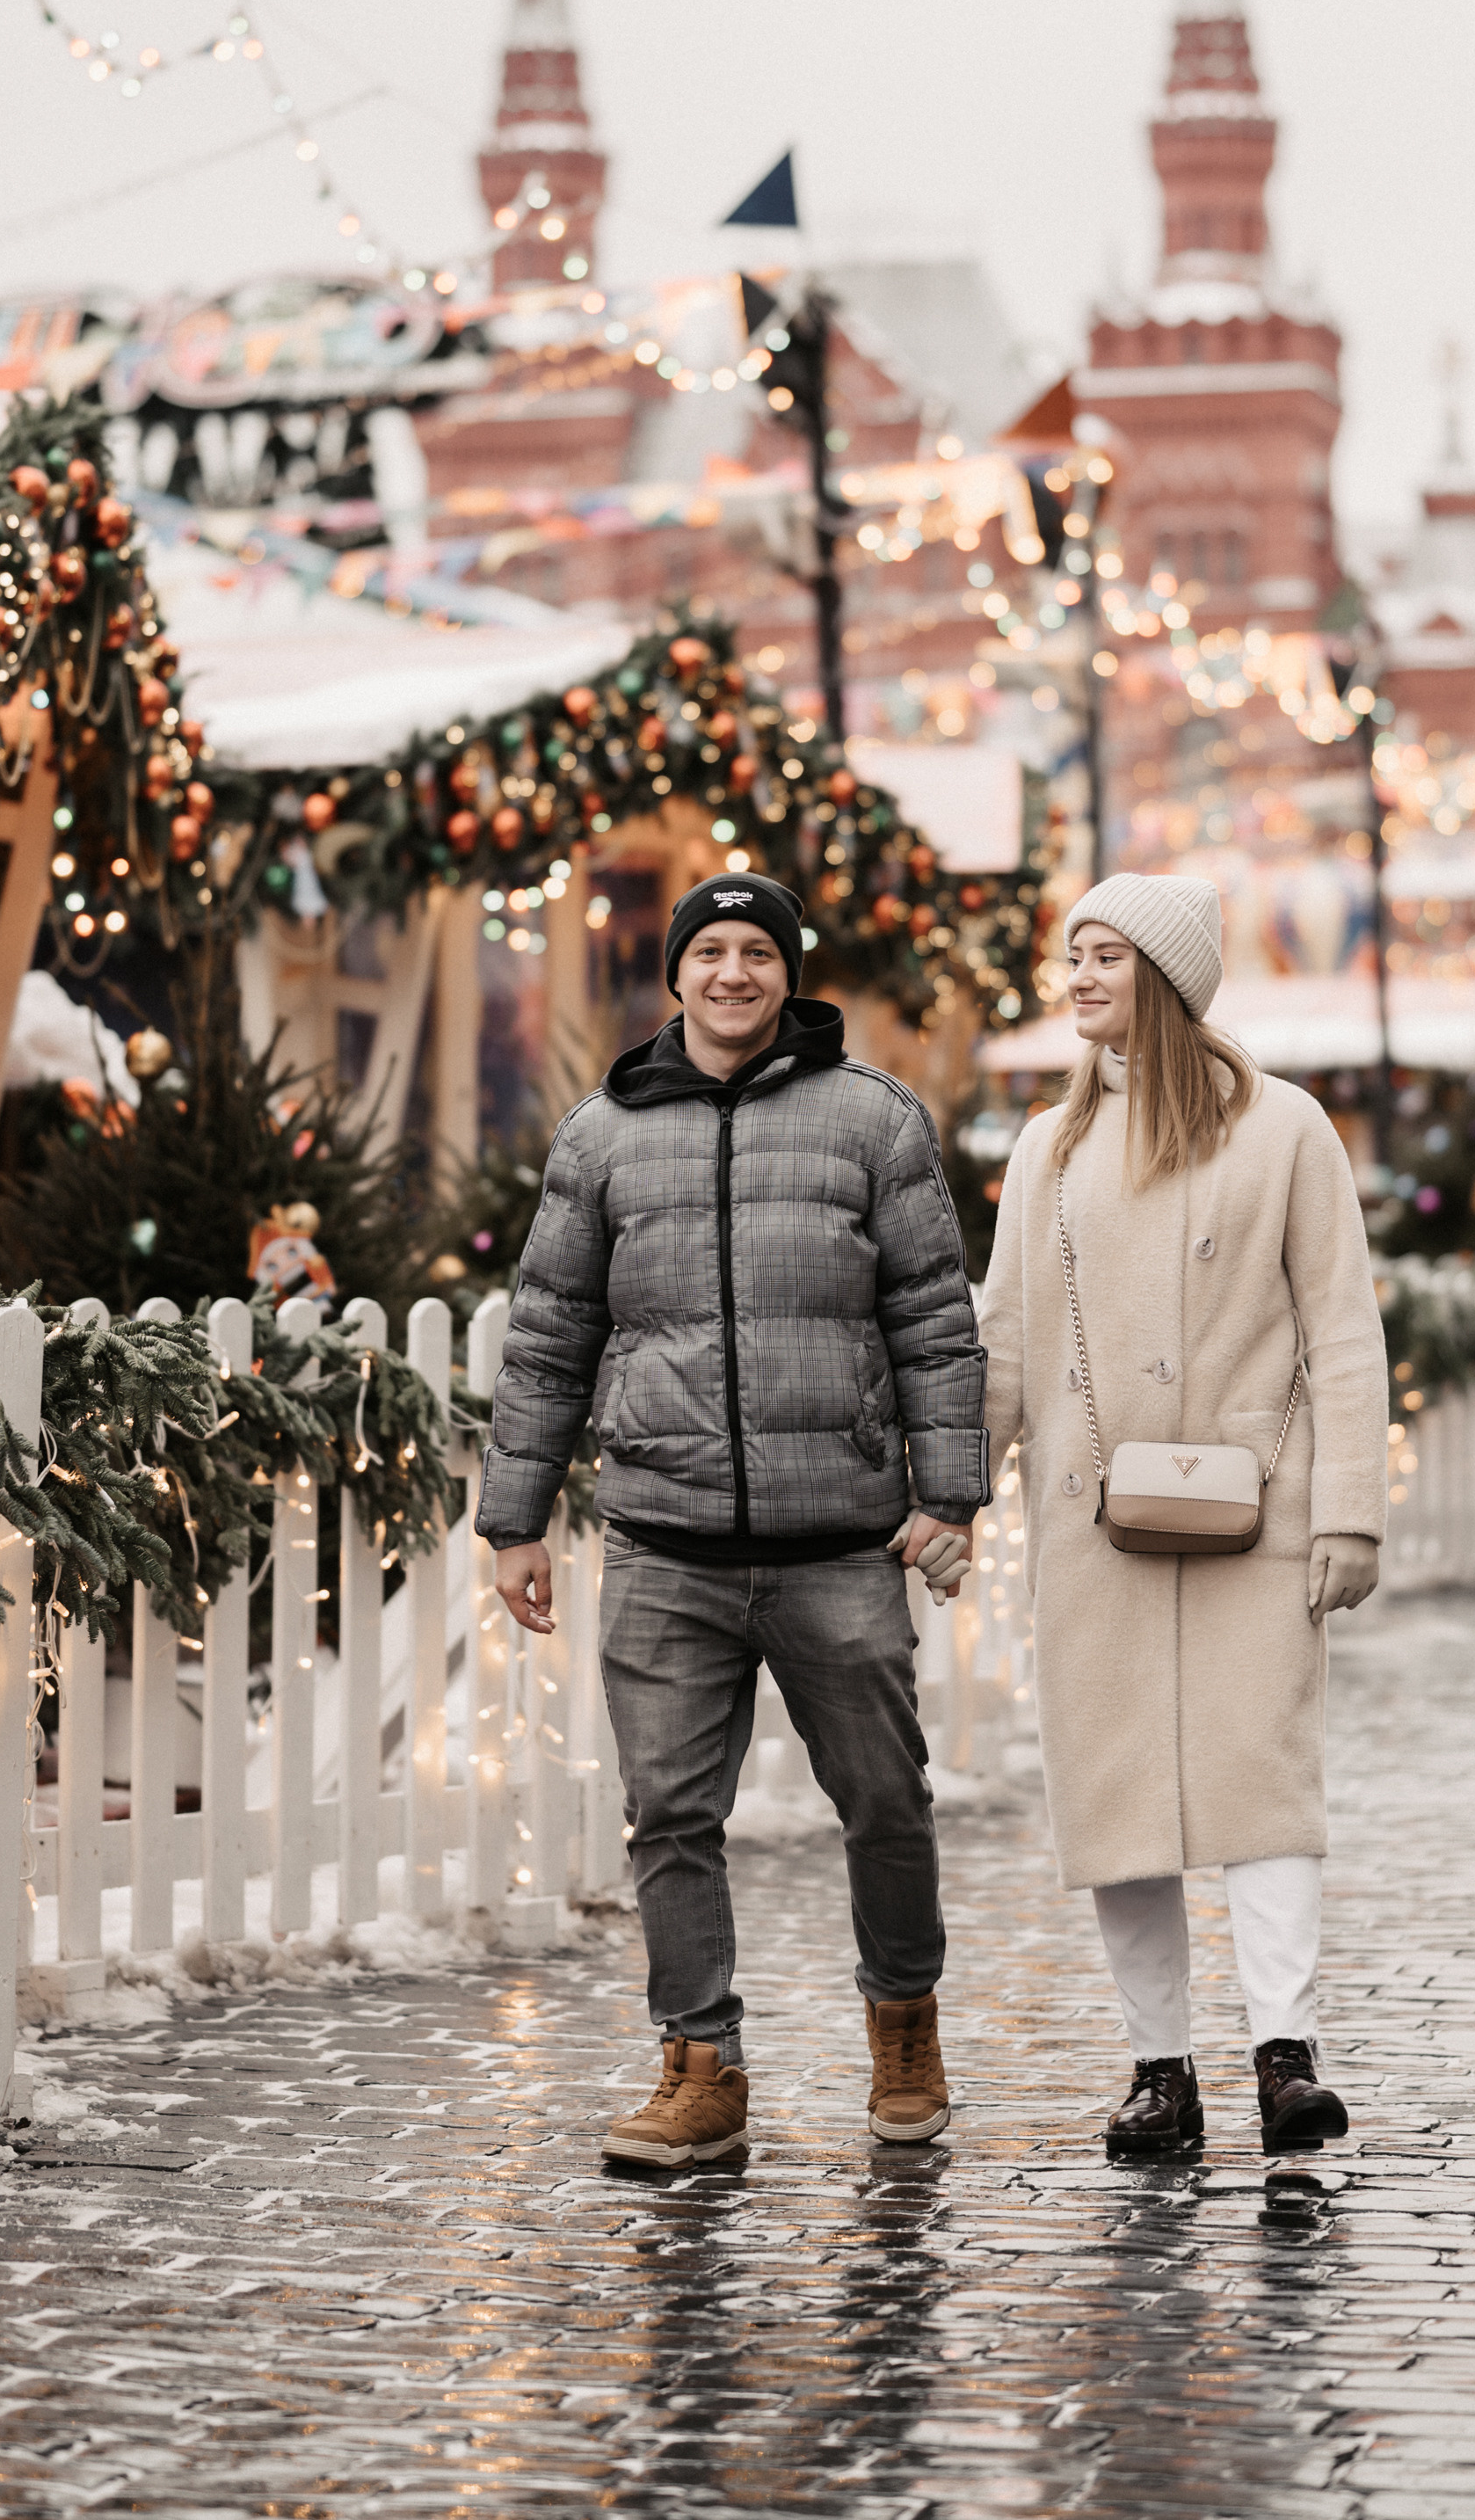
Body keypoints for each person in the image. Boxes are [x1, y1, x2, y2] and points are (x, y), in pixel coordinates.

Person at [478, 870, 988, 2169]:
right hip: (663, 1536)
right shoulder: (603, 1135)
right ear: (677, 975)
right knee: (670, 1819)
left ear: (789, 973)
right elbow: (548, 1338)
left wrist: (948, 1494)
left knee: (882, 1799)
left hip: (840, 1542)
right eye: (709, 952)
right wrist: (515, 1518)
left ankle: (904, 2028)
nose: (732, 975)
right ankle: (700, 2065)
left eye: (758, 953)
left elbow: (933, 1318)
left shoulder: (874, 1122)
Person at [978, 874, 1387, 2162]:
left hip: (1256, 1509)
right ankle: (1159, 2067)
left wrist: (1349, 1515)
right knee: (1118, 1800)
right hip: (1088, 1521)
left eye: (1106, 956)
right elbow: (1002, 1336)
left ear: (1165, 973)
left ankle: (1285, 2055)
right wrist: (950, 1492)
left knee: (1261, 1781)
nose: (1081, 977)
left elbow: (1342, 1326)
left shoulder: (1284, 1130)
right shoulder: (1048, 1148)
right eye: (1072, 956)